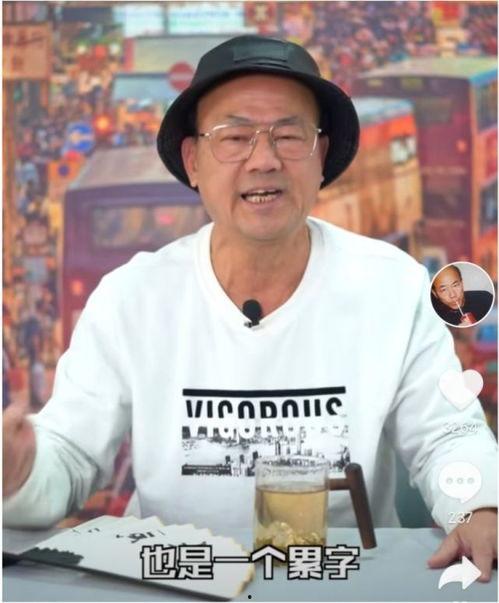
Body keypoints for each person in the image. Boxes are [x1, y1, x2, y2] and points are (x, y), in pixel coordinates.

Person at [3, 35, 497, 581]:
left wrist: (478, 508)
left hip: (340, 581)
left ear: (321, 156)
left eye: (288, 136)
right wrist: (18, 471)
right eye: (234, 137)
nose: (264, 160)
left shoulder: (392, 285)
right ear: (192, 161)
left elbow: (446, 434)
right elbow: (69, 457)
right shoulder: (131, 297)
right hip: (172, 583)